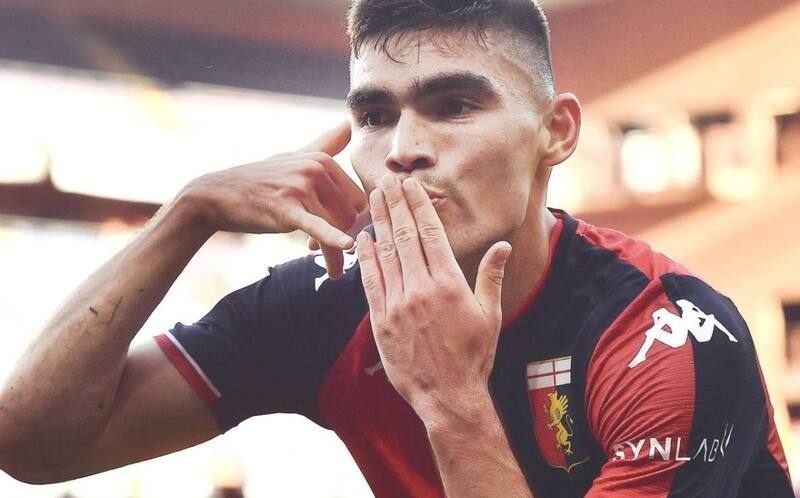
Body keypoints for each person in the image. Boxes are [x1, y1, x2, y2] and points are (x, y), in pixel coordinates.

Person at [0, 0, 793, 496]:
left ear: (556, 132)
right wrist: (187, 212)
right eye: (375, 117)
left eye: (455, 105)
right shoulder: (325, 305)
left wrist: (449, 398)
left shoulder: (668, 332)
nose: (405, 149)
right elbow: (33, 447)